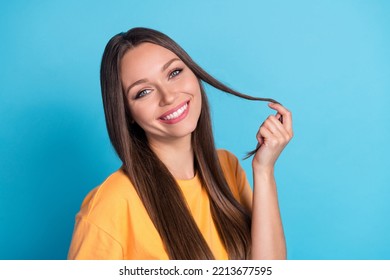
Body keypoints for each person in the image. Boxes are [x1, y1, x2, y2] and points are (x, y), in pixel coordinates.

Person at [67, 27, 293, 260]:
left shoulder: (227, 167)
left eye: (174, 73)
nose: (168, 96)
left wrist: (264, 169)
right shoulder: (110, 205)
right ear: (127, 113)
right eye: (143, 92)